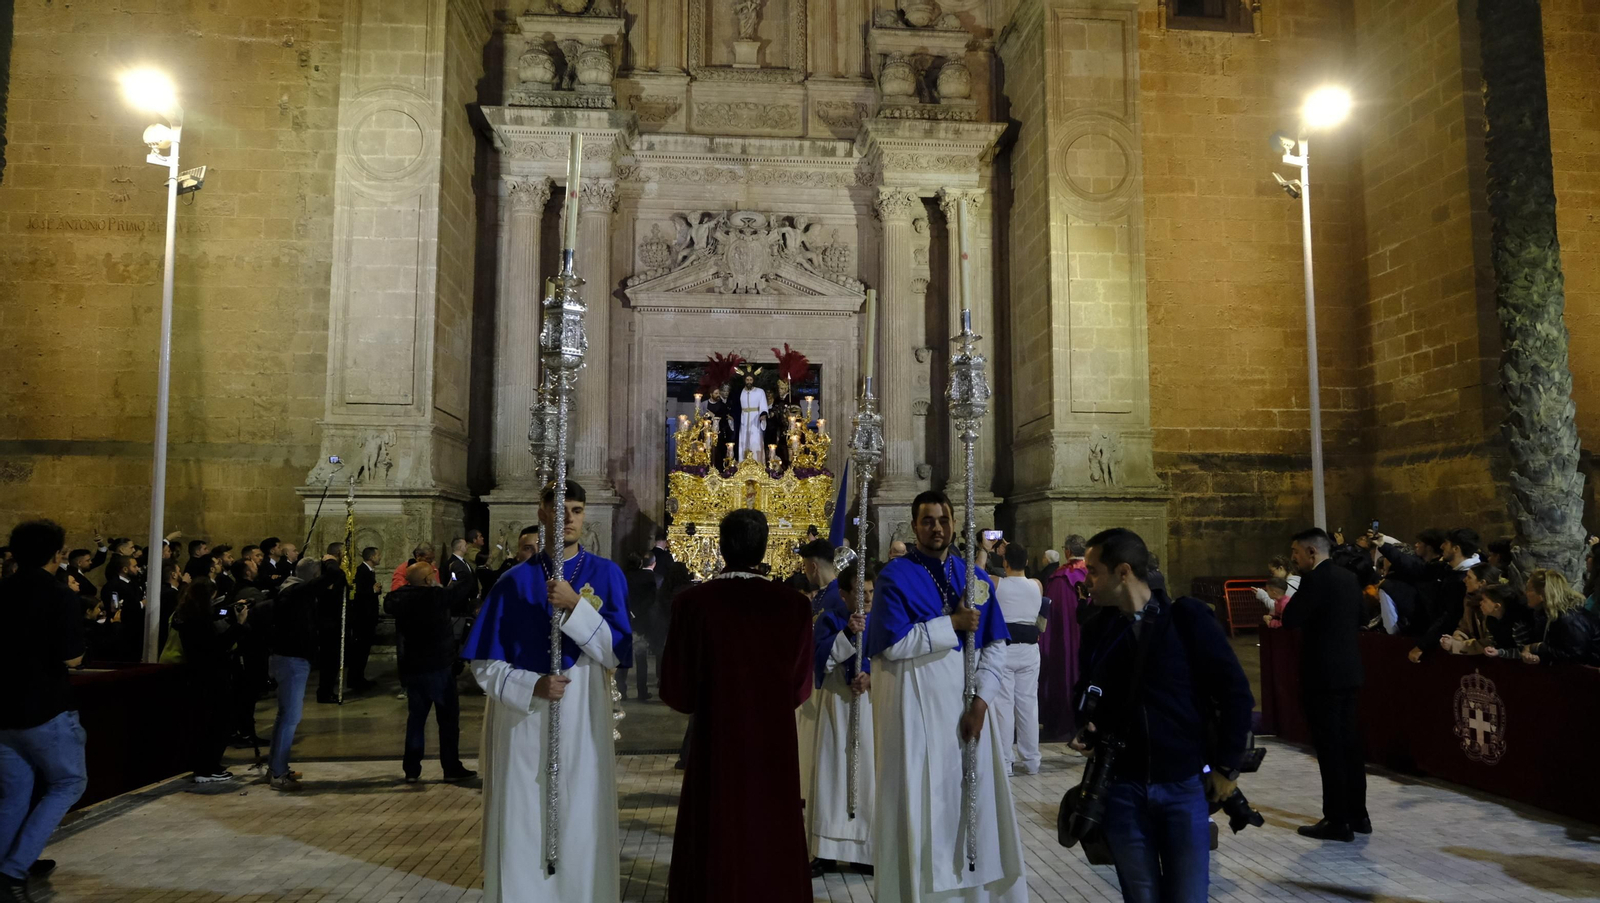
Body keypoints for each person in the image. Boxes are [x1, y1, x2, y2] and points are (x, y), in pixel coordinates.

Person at [461, 481, 632, 903]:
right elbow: (483, 663)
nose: (569, 519)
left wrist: (576, 605)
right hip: (525, 717)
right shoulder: (512, 583)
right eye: (561, 509)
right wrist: (530, 684)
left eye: (577, 510)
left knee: (581, 808)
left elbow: (614, 652)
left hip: (582, 712)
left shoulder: (606, 574)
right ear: (542, 511)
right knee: (522, 811)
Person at [1072, 528, 1254, 903]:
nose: (1086, 580)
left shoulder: (1186, 620)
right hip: (1122, 788)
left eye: (1093, 571)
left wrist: (1227, 768)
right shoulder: (1098, 629)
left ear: (1123, 572)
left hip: (1182, 786)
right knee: (1140, 897)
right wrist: (1087, 724)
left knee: (1188, 895)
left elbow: (1235, 693)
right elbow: (1085, 691)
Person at [866, 490, 1027, 903]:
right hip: (917, 717)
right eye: (927, 520)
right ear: (915, 525)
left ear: (954, 523)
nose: (936, 527)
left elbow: (995, 645)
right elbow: (891, 645)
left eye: (942, 519)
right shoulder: (895, 576)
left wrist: (982, 701)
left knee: (972, 808)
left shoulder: (972, 579)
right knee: (922, 809)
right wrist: (951, 623)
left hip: (968, 715)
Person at [660, 508, 813, 903]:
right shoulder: (794, 605)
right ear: (765, 546)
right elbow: (800, 687)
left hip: (717, 741)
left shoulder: (693, 603)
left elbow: (676, 689)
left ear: (721, 546)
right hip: (773, 744)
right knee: (771, 824)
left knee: (716, 825)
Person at [0, 521, 89, 903]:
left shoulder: (2, 592)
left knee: (14, 795)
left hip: (3, 708)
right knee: (68, 783)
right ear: (57, 554)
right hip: (46, 707)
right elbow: (72, 656)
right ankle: (13, 869)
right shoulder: (59, 596)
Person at [1282, 528, 1369, 841]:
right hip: (1349, 672)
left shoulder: (1314, 580)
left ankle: (1337, 820)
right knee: (1350, 745)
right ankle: (1359, 814)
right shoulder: (1348, 578)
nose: (1293, 558)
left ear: (1311, 553)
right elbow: (1362, 614)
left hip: (1322, 676)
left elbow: (1291, 618)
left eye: (1295, 551)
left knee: (1330, 748)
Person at [806, 560, 875, 875]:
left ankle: (864, 851)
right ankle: (826, 851)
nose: (868, 599)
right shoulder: (829, 620)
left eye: (872, 592)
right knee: (832, 775)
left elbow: (889, 659)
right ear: (845, 595)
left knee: (867, 777)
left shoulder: (881, 622)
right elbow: (820, 660)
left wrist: (871, 678)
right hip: (837, 706)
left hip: (870, 708)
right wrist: (848, 634)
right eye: (861, 593)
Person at [386, 562, 474, 783]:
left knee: (416, 719)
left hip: (414, 667)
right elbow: (464, 587)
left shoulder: (399, 598)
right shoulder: (434, 597)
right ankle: (451, 767)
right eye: (433, 574)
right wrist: (457, 576)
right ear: (427, 580)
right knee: (448, 720)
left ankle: (412, 770)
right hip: (439, 667)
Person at [171, 578, 247, 783]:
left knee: (205, 722)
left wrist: (228, 610)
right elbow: (217, 646)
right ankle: (208, 767)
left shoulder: (184, 616)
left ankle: (205, 764)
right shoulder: (199, 622)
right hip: (212, 676)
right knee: (218, 723)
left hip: (198, 676)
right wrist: (239, 624)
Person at [267, 557, 324, 791]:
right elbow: (328, 580)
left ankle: (276, 766)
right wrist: (331, 564)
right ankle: (278, 773)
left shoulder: (289, 590)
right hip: (292, 660)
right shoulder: (296, 591)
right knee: (290, 717)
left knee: (285, 717)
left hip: (288, 658)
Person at [994, 542, 1045, 776]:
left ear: (1005, 563)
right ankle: (1032, 760)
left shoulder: (997, 584)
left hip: (1004, 649)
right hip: (1029, 650)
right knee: (1028, 705)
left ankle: (1006, 763)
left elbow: (974, 574)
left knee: (1004, 706)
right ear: (1026, 562)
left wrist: (985, 550)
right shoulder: (1037, 585)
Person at [1487, 569, 1600, 665]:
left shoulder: (1569, 618)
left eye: (1529, 589)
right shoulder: (1544, 615)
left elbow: (1575, 654)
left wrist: (1535, 647)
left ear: (1542, 594)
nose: (1525, 593)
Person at [1040, 534, 1087, 742]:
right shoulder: (1094, 574)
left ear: (1067, 552)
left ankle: (1061, 721)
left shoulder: (1059, 579)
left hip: (1064, 641)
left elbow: (1051, 617)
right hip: (1088, 639)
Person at [620, 553, 659, 702]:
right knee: (641, 658)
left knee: (624, 657)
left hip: (625, 619)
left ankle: (622, 690)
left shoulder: (623, 577)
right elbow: (651, 599)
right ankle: (641, 691)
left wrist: (629, 611)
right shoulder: (648, 578)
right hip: (641, 621)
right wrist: (637, 612)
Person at [348, 547, 381, 692]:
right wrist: (373, 590)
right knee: (359, 650)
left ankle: (359, 678)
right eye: (378, 555)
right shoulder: (361, 571)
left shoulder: (368, 571)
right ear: (372, 557)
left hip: (368, 617)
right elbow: (358, 592)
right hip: (362, 618)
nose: (380, 557)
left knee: (363, 650)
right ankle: (355, 680)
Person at [735, 371, 770, 465]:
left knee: (755, 441)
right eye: (747, 380)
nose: (749, 382)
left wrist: (763, 414)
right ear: (744, 381)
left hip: (755, 420)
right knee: (743, 442)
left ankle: (757, 465)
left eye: (751, 380)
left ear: (753, 381)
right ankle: (743, 465)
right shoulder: (740, 392)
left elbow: (763, 406)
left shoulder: (760, 391)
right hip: (743, 419)